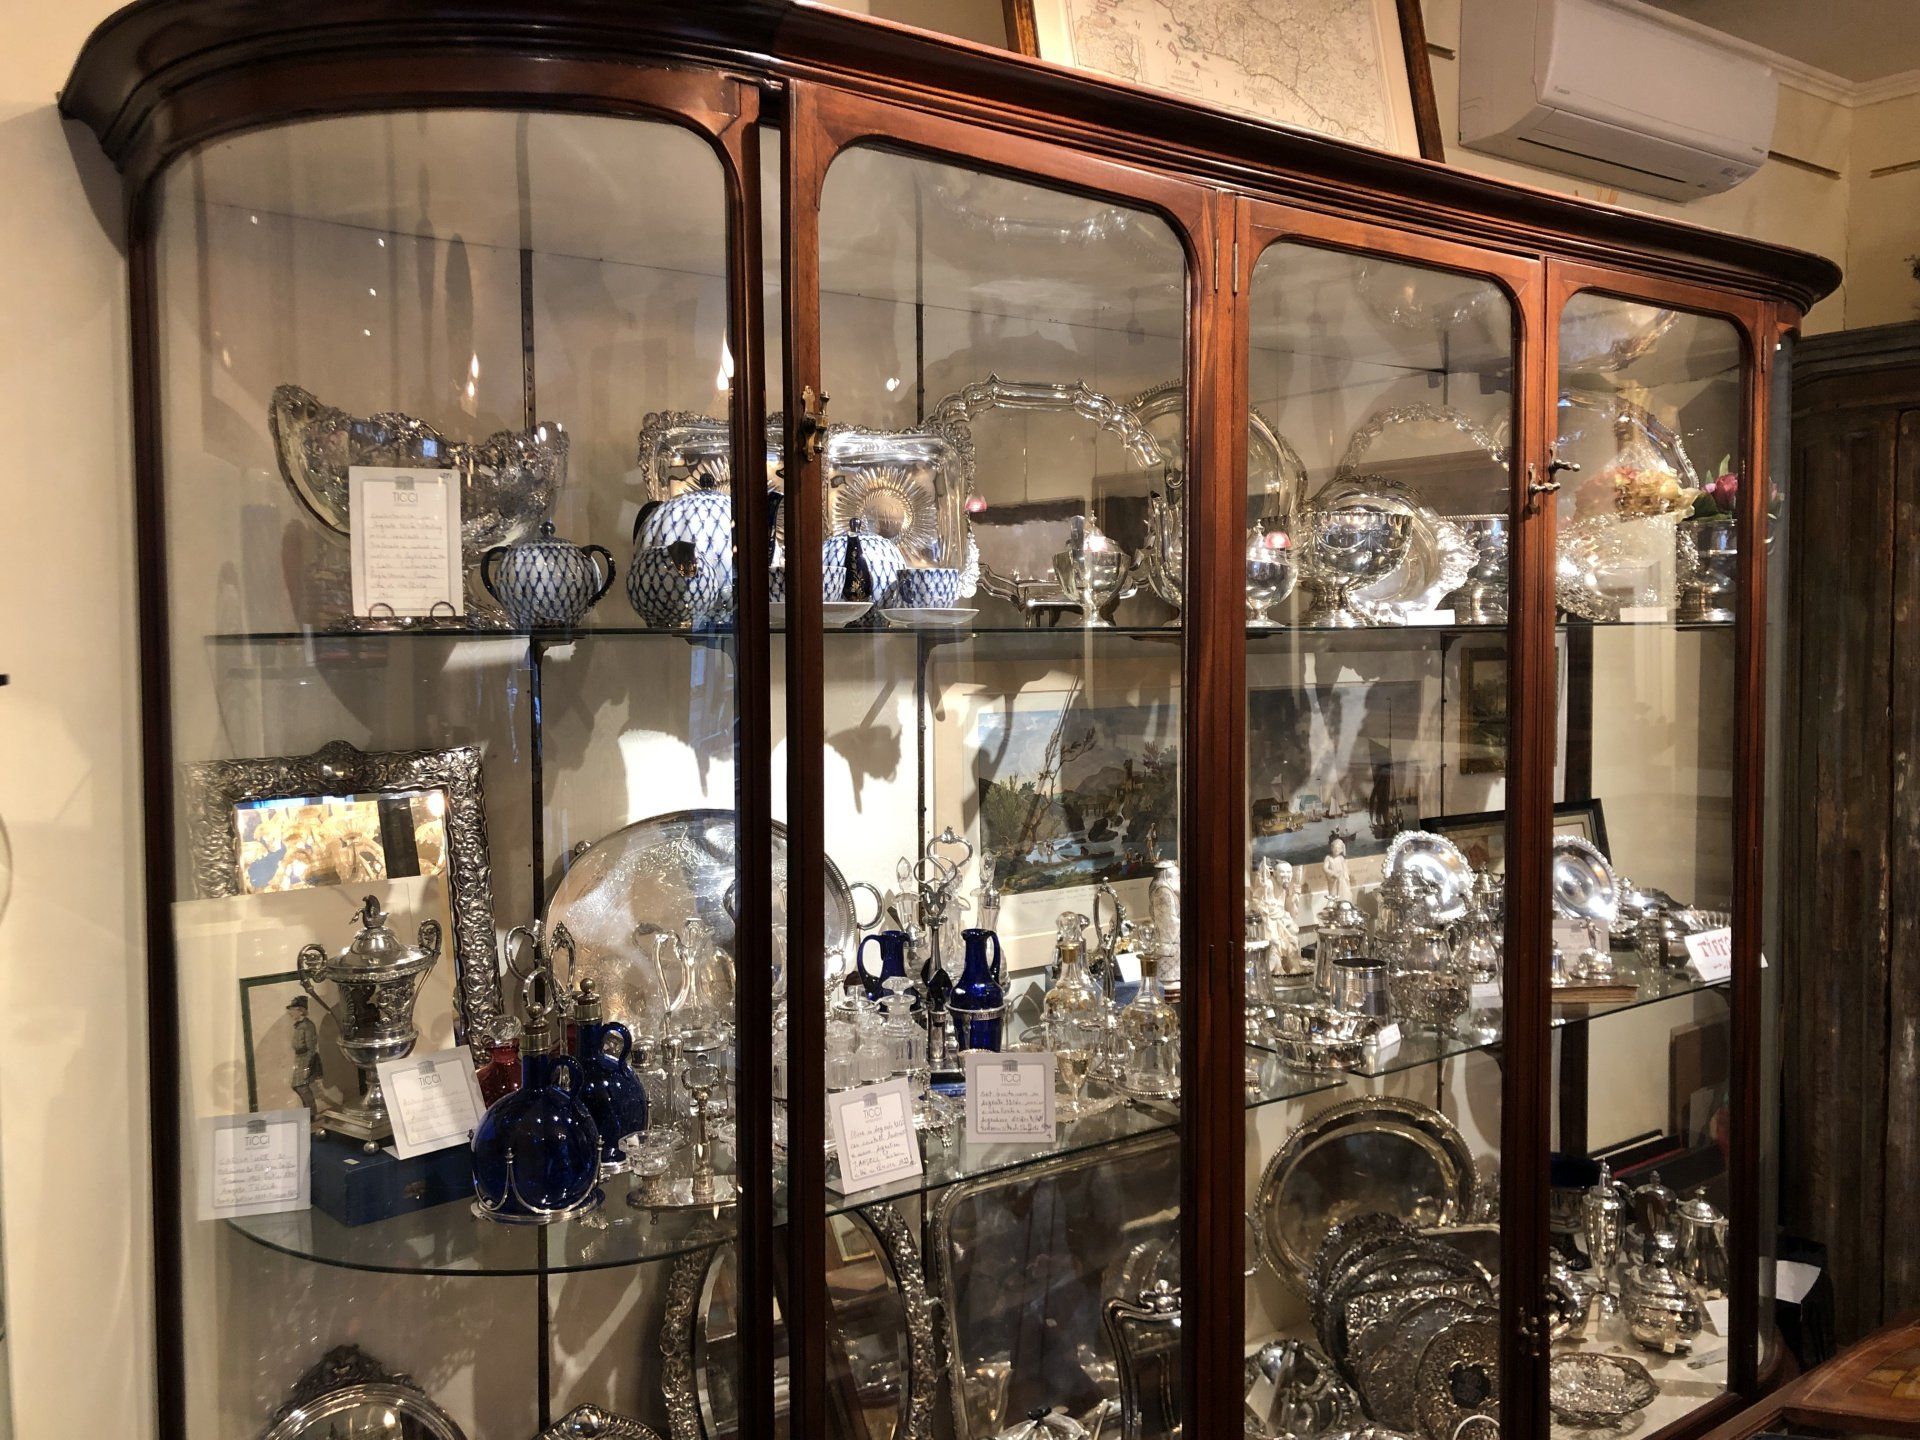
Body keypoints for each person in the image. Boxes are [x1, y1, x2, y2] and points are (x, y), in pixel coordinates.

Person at [287, 995, 326, 1113]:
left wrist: (307, 1068)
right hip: (300, 1060)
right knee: (298, 1086)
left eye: (292, 1010)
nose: (290, 1013)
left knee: (301, 1086)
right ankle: (308, 1113)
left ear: (301, 1011)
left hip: (306, 1061)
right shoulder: (299, 1025)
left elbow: (311, 1048)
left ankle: (311, 1114)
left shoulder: (307, 1026)